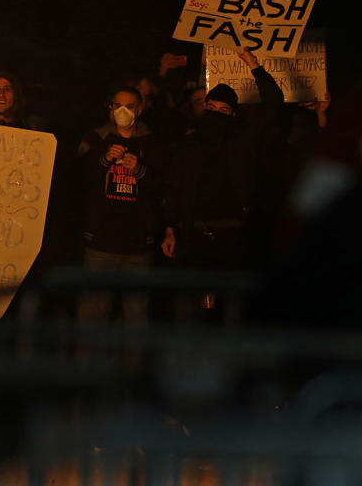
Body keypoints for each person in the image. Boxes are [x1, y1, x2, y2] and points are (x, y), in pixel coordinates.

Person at [160, 47, 284, 270]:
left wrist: (253, 64)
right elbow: (175, 185)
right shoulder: (190, 144)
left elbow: (273, 103)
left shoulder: (242, 140)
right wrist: (170, 228)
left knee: (232, 296)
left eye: (223, 109)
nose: (216, 113)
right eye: (211, 107)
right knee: (191, 295)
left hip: (235, 233)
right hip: (193, 232)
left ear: (233, 114)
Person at [76, 86, 166, 331]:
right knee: (93, 313)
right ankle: (88, 367)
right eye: (118, 105)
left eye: (129, 106)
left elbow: (163, 187)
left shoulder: (153, 144)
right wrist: (104, 159)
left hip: (137, 246)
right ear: (110, 108)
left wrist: (140, 170)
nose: (123, 111)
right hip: (100, 244)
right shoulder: (96, 139)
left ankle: (132, 367)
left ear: (140, 109)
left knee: (137, 316)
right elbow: (79, 180)